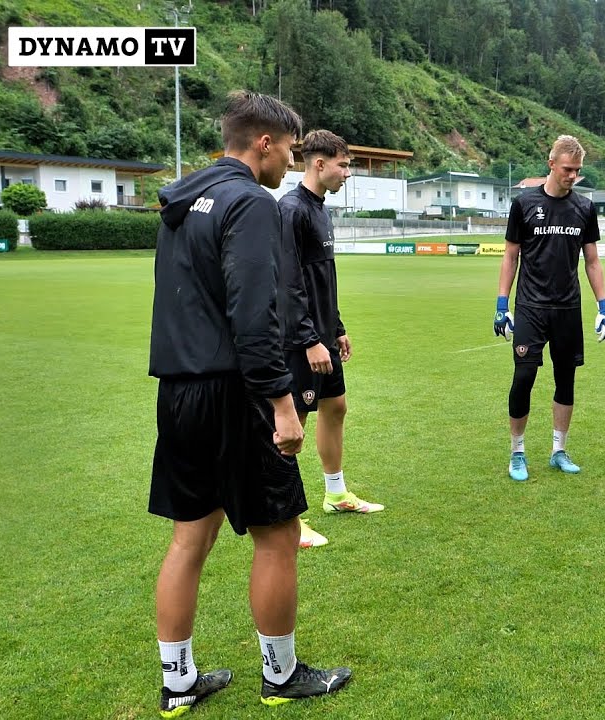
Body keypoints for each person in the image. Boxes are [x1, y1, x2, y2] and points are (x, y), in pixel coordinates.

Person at [148, 91, 352, 717]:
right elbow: (254, 317)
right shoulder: (252, 204)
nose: (291, 162)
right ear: (264, 142)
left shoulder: (182, 200)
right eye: (290, 149)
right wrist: (283, 406)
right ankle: (281, 674)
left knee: (190, 539)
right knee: (278, 534)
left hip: (178, 391)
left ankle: (177, 682)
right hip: (238, 393)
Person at [279, 129, 384, 551]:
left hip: (322, 332)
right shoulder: (291, 210)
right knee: (293, 424)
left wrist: (336, 328)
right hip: (300, 338)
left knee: (335, 406)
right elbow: (286, 284)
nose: (347, 173)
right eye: (342, 165)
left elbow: (321, 278)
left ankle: (336, 494)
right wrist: (308, 339)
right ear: (318, 163)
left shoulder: (320, 210)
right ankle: (286, 516)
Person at [495, 134, 605, 482]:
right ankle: (517, 453)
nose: (572, 176)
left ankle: (559, 451)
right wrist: (502, 303)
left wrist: (603, 306)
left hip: (567, 308)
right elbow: (511, 254)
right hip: (530, 306)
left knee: (566, 380)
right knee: (524, 377)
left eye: (577, 171)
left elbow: (591, 260)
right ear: (551, 165)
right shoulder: (524, 204)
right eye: (567, 169)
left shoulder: (584, 208)